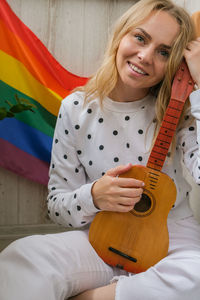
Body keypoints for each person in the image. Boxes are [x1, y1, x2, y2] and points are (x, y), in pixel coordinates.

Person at [0, 0, 200, 299]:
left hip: (175, 238)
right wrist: (94, 196)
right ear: (121, 35)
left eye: (164, 52)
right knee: (23, 256)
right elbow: (57, 205)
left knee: (195, 278)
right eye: (140, 38)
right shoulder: (76, 108)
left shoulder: (181, 110)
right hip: (101, 239)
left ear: (176, 63)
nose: (145, 56)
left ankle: (95, 296)